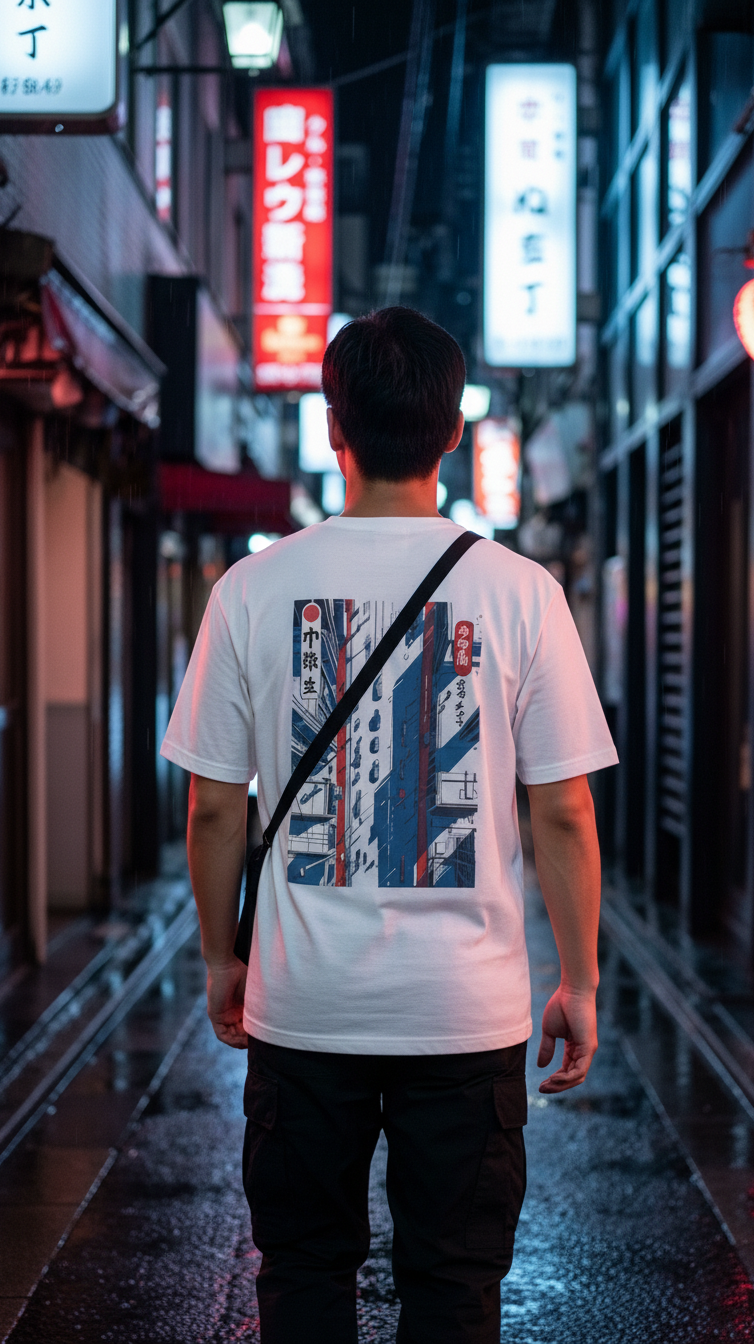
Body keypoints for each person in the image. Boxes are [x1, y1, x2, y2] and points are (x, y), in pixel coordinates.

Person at [161, 306, 618, 1344]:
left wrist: (221, 958)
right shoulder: (522, 594)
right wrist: (580, 982)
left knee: (306, 1275)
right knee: (455, 1284)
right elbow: (562, 808)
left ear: (336, 426)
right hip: (469, 1012)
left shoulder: (250, 591)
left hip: (304, 1006)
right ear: (454, 430)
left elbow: (214, 806)